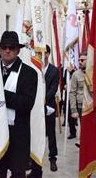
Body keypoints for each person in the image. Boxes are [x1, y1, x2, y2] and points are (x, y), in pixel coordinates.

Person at [0, 31, 37, 178]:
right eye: (4, 47)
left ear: (18, 50)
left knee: (18, 173)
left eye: (12, 47)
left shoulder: (29, 73)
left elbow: (26, 104)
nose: (7, 50)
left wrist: (0, 94)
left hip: (18, 136)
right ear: (0, 49)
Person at [28, 45, 59, 177]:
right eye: (37, 52)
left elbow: (53, 88)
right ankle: (32, 158)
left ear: (47, 54)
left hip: (48, 106)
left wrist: (43, 99)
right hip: (35, 107)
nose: (39, 55)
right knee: (34, 132)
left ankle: (53, 158)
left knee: (51, 133)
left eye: (41, 52)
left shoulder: (54, 70)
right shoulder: (33, 68)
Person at [69, 53, 87, 139]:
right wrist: (73, 110)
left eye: (82, 60)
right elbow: (72, 93)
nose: (80, 62)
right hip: (81, 106)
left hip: (93, 105)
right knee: (84, 129)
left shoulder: (94, 72)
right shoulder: (75, 74)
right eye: (79, 60)